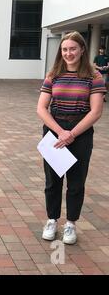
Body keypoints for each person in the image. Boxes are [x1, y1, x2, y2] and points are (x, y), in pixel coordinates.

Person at [37, 31, 106, 245]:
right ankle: (52, 220)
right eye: (65, 49)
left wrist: (72, 134)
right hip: (54, 131)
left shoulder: (94, 76)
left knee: (76, 182)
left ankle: (70, 225)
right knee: (52, 181)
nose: (68, 53)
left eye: (73, 49)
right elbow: (41, 108)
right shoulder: (53, 75)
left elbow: (95, 112)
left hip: (81, 133)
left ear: (82, 50)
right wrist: (60, 132)